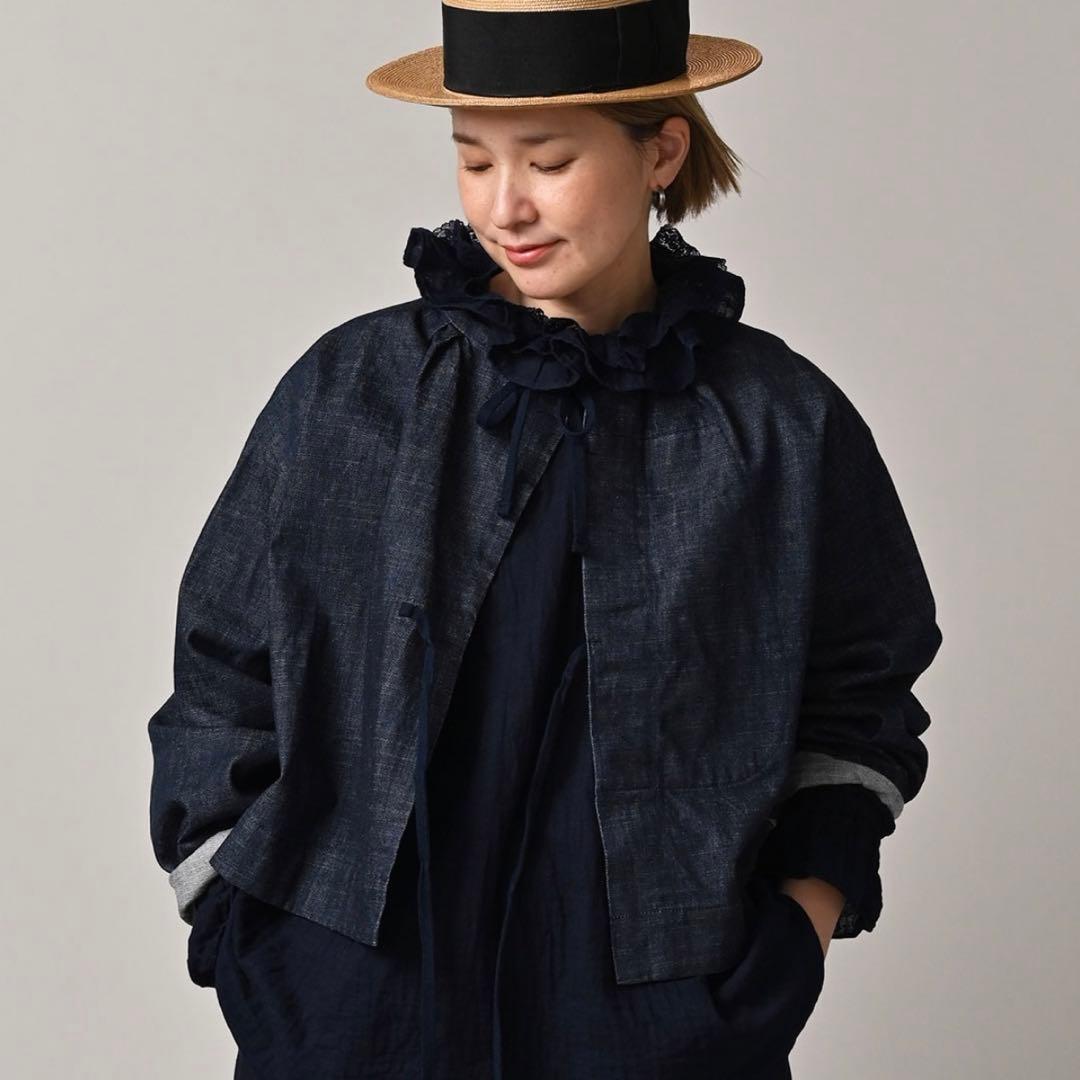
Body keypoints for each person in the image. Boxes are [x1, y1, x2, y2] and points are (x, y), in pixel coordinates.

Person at [148, 3, 944, 1078]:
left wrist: (788, 940)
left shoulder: (779, 422)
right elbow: (221, 671)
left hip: (663, 1028)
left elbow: (859, 693)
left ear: (662, 152)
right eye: (474, 161)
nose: (503, 206)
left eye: (550, 161)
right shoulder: (352, 390)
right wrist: (245, 927)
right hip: (354, 1020)